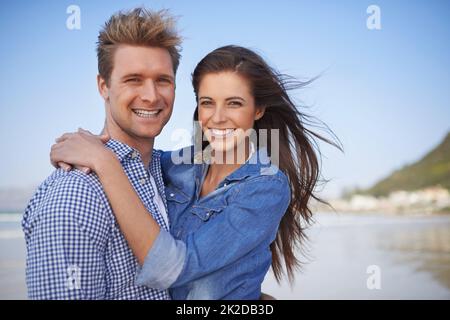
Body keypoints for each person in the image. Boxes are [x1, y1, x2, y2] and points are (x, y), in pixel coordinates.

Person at [50, 45, 341, 299]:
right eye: (207, 103)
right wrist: (79, 145)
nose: (217, 117)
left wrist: (103, 162)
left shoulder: (266, 187)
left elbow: (171, 270)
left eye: (234, 103)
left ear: (258, 109)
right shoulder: (184, 164)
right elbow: (136, 158)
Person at [22, 8, 182, 299]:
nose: (151, 95)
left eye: (162, 80)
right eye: (133, 79)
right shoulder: (75, 195)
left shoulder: (166, 172)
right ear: (103, 86)